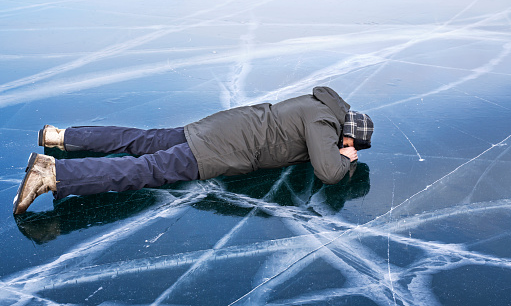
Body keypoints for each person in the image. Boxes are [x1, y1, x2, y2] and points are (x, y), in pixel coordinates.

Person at [13, 86, 374, 215]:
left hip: (218, 126)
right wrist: (345, 160)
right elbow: (328, 171)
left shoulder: (316, 105)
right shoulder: (324, 121)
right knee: (146, 171)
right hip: (226, 148)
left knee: (142, 140)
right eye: (352, 142)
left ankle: (60, 136)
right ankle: (53, 174)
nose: (348, 147)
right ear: (349, 132)